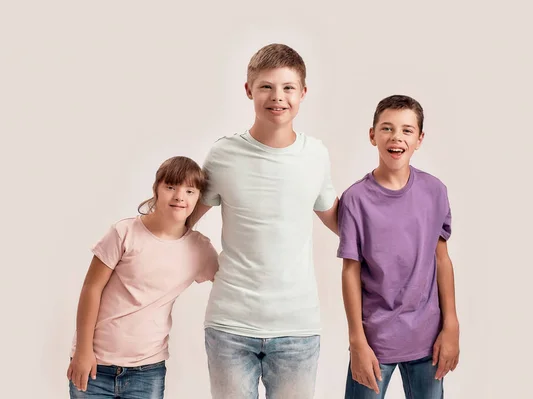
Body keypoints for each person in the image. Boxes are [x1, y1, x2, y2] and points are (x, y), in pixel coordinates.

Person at [188, 43, 339, 399]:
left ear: (303, 93)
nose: (278, 97)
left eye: (288, 88)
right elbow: (183, 221)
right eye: (266, 87)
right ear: (248, 90)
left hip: (297, 327)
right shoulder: (223, 155)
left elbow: (338, 219)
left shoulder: (315, 154)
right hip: (230, 325)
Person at [338, 95, 460, 398]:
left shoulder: (434, 191)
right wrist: (357, 341)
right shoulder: (355, 199)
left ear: (419, 139)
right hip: (375, 341)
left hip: (428, 339)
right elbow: (350, 270)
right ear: (372, 135)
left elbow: (442, 260)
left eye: (407, 130)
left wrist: (452, 325)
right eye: (387, 128)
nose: (397, 137)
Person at [67, 156, 219, 399]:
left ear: (199, 198)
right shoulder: (124, 233)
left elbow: (231, 279)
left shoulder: (199, 249)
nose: (180, 196)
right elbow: (91, 288)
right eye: (171, 187)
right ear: (156, 189)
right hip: (95, 365)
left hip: (147, 372)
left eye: (190, 191)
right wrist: (83, 351)